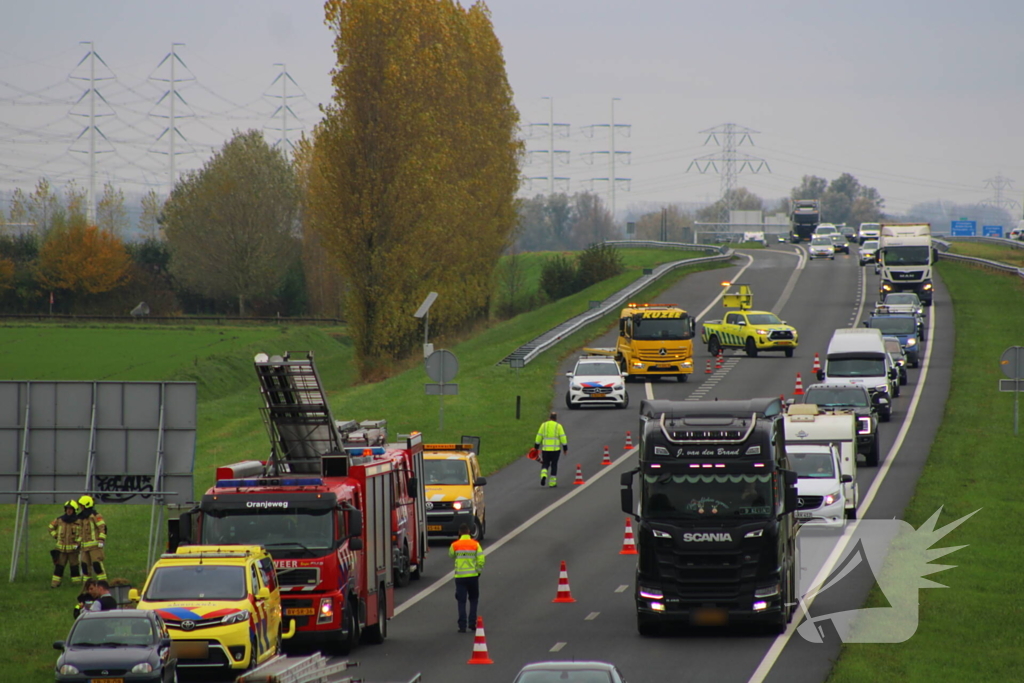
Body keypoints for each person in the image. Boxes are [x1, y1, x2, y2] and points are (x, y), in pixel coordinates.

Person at [448, 523, 485, 633]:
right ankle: (472, 623)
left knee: (461, 601)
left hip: (460, 577)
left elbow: (451, 555)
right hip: (473, 576)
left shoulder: (455, 545)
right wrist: (478, 571)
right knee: (473, 600)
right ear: (469, 532)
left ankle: (462, 625)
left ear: (459, 533)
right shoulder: (475, 544)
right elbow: (481, 560)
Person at [48, 500, 82, 588]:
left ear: (75, 510)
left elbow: (83, 533)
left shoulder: (79, 521)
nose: (69, 510)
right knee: (59, 567)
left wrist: (78, 542)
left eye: (71, 509)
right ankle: (55, 584)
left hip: (73, 550)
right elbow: (51, 527)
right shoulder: (60, 520)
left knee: (74, 567)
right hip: (61, 549)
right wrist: (55, 536)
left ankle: (76, 585)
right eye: (67, 509)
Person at [77, 495, 108, 581]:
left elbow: (103, 527)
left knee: (97, 565)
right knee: (85, 567)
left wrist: (101, 539)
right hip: (84, 547)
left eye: (82, 505)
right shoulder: (81, 518)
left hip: (95, 546)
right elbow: (80, 532)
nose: (80, 507)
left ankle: (103, 583)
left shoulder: (95, 516)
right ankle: (87, 586)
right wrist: (78, 542)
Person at [534, 411, 568, 488]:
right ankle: (552, 483)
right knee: (554, 465)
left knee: (545, 464)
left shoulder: (544, 425)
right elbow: (563, 438)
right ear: (556, 418)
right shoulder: (558, 426)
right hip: (555, 450)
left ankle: (543, 475)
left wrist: (536, 447)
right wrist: (565, 448)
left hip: (545, 449)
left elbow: (538, 436)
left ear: (549, 418)